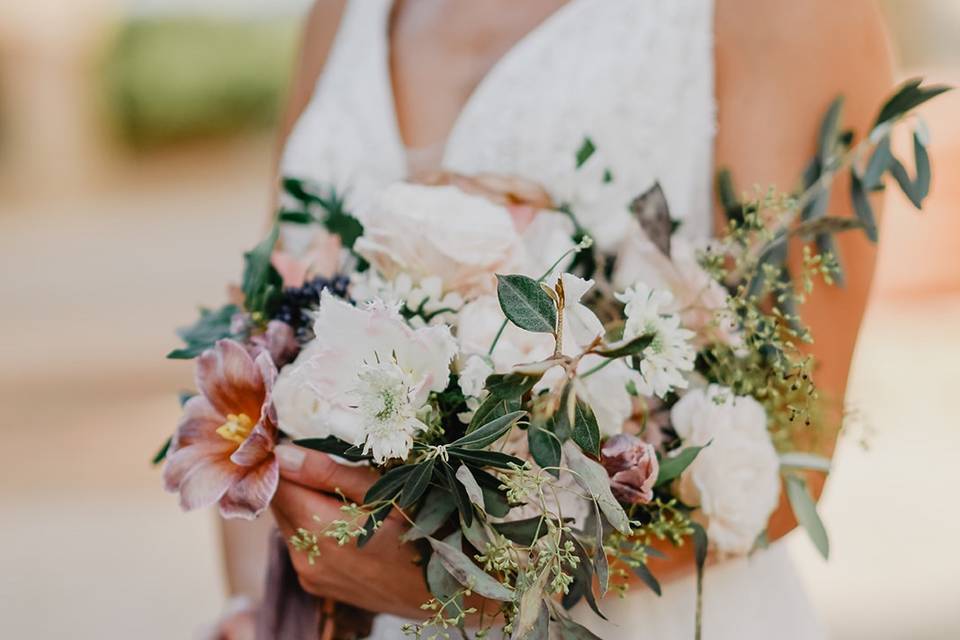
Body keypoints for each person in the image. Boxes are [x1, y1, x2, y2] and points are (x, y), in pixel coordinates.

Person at [216, 0, 893, 637]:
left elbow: (790, 450)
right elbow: (262, 338)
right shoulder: (342, 14)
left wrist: (477, 584)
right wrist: (257, 610)